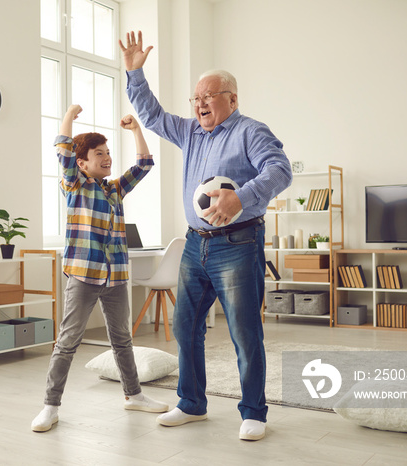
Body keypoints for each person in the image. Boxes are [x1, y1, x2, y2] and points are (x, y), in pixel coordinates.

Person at [119, 31, 292, 441]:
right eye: (195, 98)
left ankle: (253, 412)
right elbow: (151, 114)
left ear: (232, 99)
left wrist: (241, 198)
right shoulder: (189, 132)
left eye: (209, 97)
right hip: (195, 243)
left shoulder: (251, 130)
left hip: (238, 243)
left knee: (244, 332)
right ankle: (191, 403)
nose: (199, 105)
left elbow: (280, 170)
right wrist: (134, 72)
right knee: (185, 328)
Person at [31, 104, 169, 432]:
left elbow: (144, 165)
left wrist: (136, 129)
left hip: (117, 274)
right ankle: (50, 406)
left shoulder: (114, 190)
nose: (107, 158)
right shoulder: (75, 185)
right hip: (83, 274)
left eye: (108, 152)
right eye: (99, 153)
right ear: (82, 163)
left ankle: (133, 394)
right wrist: (68, 115)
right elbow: (62, 150)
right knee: (68, 340)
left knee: (122, 338)